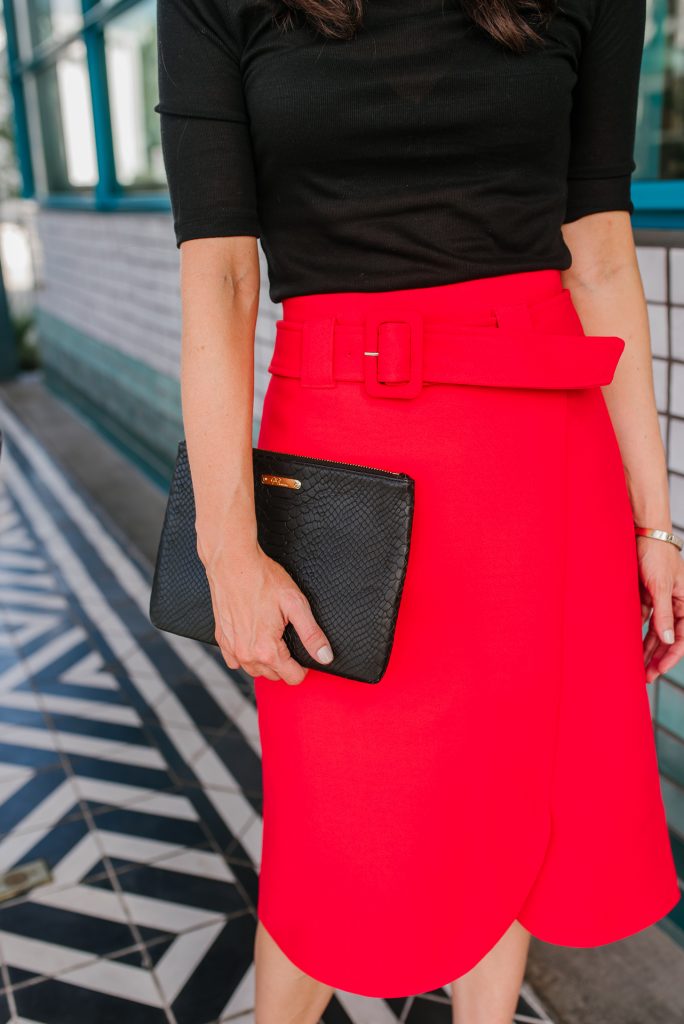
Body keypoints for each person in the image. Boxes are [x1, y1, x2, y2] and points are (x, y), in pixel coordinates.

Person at [154, 1, 682, 1020]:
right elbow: (219, 274)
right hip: (345, 466)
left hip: (542, 459)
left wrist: (654, 524)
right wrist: (229, 548)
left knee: (509, 801)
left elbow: (603, 251)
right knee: (331, 839)